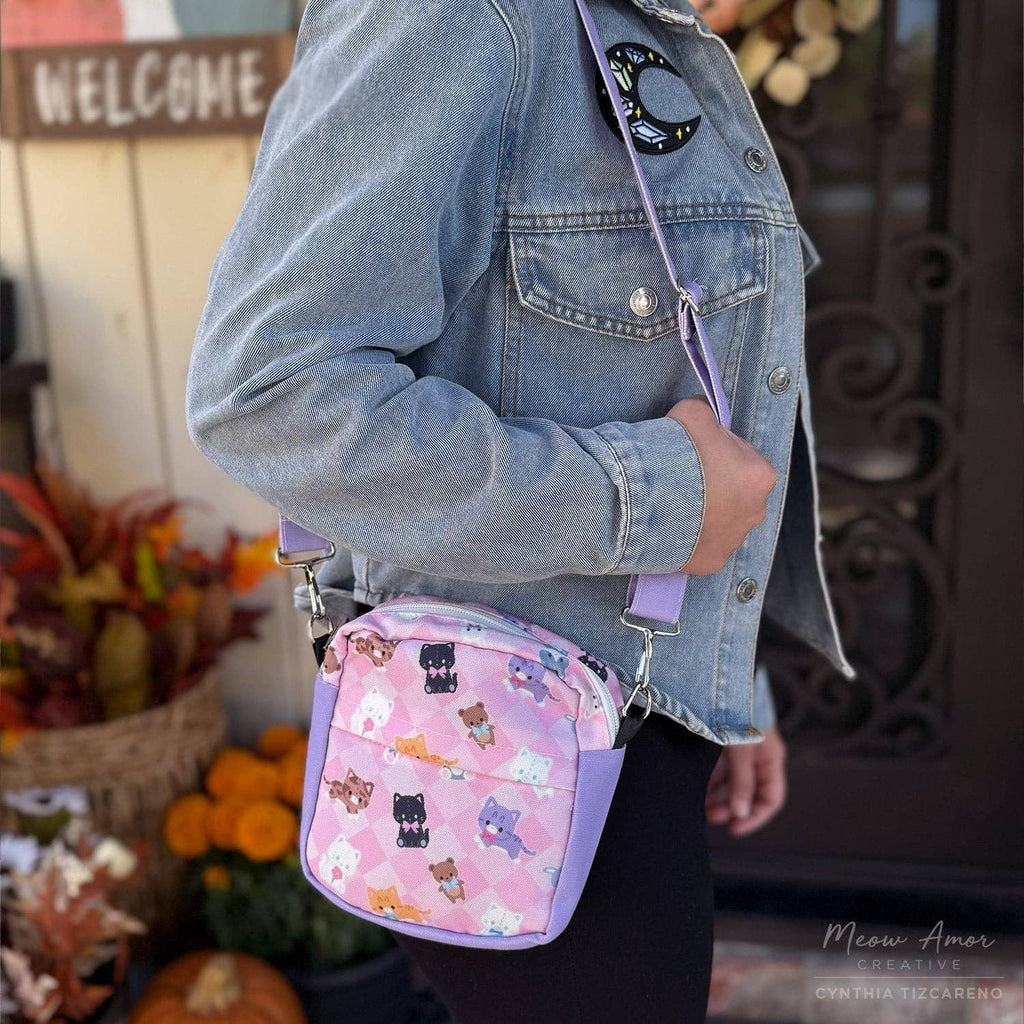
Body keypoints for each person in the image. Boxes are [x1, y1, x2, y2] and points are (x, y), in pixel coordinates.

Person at [185, 0, 857, 1020]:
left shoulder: (628, 30)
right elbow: (269, 395)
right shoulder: (459, 16)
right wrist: (657, 500)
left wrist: (731, 677)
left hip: (640, 711)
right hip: (490, 745)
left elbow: (676, 378)